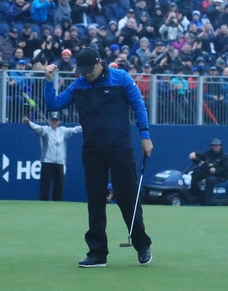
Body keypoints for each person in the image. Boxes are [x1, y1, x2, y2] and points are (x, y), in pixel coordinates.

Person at [44, 47, 153, 268]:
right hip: (92, 150)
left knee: (127, 197)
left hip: (120, 148)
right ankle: (97, 253)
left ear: (99, 63)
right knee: (95, 200)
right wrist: (48, 81)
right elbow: (54, 104)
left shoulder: (121, 78)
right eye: (82, 71)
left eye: (88, 70)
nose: (86, 74)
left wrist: (145, 135)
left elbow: (138, 105)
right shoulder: (79, 84)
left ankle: (142, 245)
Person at [23, 112, 83, 201]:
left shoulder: (63, 131)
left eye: (56, 121)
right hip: (47, 162)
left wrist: (86, 125)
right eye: (52, 121)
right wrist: (28, 122)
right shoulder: (45, 130)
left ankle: (57, 204)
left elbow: (74, 130)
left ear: (58, 122)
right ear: (49, 122)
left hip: (60, 163)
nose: (54, 122)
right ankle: (43, 203)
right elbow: (36, 128)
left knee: (59, 186)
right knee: (45, 186)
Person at [188, 138, 228, 206]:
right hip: (207, 171)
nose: (215, 147)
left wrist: (216, 170)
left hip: (218, 175)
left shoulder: (224, 157)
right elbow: (201, 155)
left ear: (220, 146)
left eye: (216, 145)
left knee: (210, 180)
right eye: (213, 145)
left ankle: (206, 203)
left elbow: (225, 169)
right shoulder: (208, 153)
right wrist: (194, 154)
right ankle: (196, 194)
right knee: (195, 173)